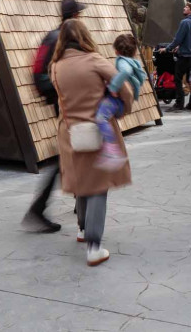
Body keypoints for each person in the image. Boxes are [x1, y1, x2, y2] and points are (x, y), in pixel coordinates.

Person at [51, 19, 136, 266]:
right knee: (98, 185)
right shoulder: (94, 60)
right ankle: (94, 247)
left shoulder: (55, 66)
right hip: (99, 130)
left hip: (70, 132)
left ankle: (81, 229)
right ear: (84, 36)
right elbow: (126, 90)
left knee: (82, 181)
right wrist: (121, 110)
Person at [22, 0, 85, 233]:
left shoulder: (52, 35)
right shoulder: (68, 38)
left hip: (59, 100)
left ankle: (81, 200)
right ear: (75, 16)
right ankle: (37, 210)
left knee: (73, 150)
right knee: (68, 154)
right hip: (68, 101)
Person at [95, 34, 147, 171]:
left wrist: (113, 86)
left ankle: (111, 151)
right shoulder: (133, 61)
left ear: (116, 50)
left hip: (116, 99)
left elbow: (125, 72)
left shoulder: (122, 61)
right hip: (121, 102)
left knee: (100, 118)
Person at [165, 2, 191, 111]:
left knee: (178, 79)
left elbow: (178, 39)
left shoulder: (185, 22)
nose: (184, 8)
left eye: (186, 7)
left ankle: (179, 103)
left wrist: (168, 48)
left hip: (185, 56)